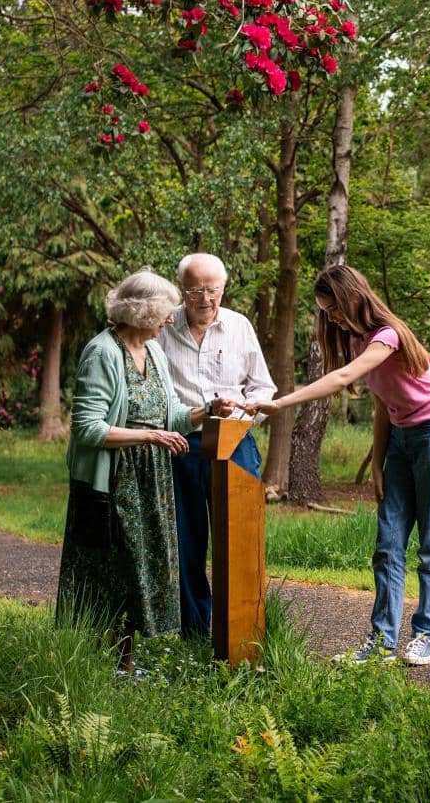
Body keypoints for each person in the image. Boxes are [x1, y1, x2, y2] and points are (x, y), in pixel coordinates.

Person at [239, 264, 430, 666]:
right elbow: (382, 406)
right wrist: (377, 463)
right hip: (400, 441)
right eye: (325, 312)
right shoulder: (361, 343)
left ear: (354, 296)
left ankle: (425, 635)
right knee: (388, 545)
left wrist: (279, 403)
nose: (332, 318)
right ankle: (381, 642)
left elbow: (342, 379)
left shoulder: (387, 336)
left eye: (334, 308)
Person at [60, 269, 217, 676]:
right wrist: (150, 437)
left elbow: (174, 416)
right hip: (111, 481)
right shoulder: (102, 352)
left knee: (138, 571)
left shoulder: (155, 354)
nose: (171, 319)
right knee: (112, 572)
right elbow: (88, 428)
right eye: (165, 312)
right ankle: (103, 666)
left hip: (151, 481)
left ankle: (125, 665)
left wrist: (208, 411)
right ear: (143, 312)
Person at [157, 252, 275, 639]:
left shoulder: (239, 326)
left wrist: (241, 414)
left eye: (213, 290)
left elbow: (263, 387)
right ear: (181, 289)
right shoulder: (163, 327)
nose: (205, 298)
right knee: (186, 541)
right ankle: (194, 632)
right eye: (195, 290)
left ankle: (242, 632)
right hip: (182, 443)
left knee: (240, 537)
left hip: (235, 440)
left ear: (223, 288)